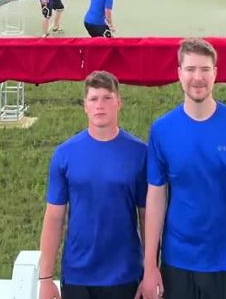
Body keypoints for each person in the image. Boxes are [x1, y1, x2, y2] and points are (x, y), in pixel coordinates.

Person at [141, 37, 226, 299]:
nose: (197, 77)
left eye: (205, 69)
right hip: (177, 261)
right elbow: (155, 198)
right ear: (179, 74)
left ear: (215, 73)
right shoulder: (162, 130)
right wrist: (150, 266)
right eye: (190, 69)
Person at [38, 70, 147, 299]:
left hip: (125, 276)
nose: (100, 105)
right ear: (85, 106)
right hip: (78, 276)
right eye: (94, 99)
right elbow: (54, 218)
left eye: (107, 98)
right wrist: (45, 277)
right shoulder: (65, 154)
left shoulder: (139, 153)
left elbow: (148, 217)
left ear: (118, 103)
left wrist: (151, 271)